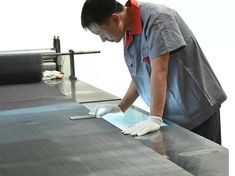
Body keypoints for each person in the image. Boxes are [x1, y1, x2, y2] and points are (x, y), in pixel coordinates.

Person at [81, 0, 227, 144]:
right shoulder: (129, 29)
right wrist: (120, 107)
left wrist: (154, 118)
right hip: (173, 114)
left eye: (101, 33)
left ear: (115, 18)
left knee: (204, 164)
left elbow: (159, 70)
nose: (103, 40)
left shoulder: (157, 18)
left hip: (196, 110)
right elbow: (141, 75)